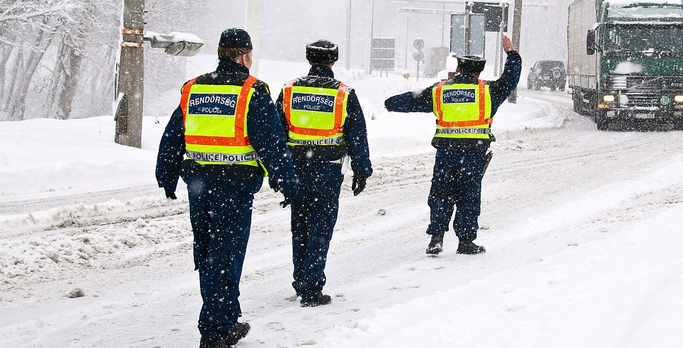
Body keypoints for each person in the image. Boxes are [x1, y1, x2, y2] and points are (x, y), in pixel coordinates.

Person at [156, 28, 299, 348]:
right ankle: (216, 330)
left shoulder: (194, 88)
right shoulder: (252, 91)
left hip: (198, 186)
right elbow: (272, 144)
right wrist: (287, 182)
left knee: (208, 253)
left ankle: (226, 317)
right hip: (233, 189)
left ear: (221, 53)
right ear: (245, 56)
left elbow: (173, 136)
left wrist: (165, 174)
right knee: (225, 255)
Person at [384, 35, 521, 255]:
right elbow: (510, 79)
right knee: (468, 196)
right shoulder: (488, 92)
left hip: (446, 153)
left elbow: (413, 99)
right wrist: (512, 54)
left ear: (458, 69)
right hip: (473, 154)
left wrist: (391, 104)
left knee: (441, 194)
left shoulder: (440, 91)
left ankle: (436, 238)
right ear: (479, 72)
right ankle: (465, 241)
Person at [275, 39, 372, 307]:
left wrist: (277, 171)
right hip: (328, 172)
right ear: (334, 60)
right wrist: (361, 171)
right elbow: (357, 136)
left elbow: (275, 133)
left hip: (296, 171)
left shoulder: (289, 91)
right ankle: (311, 287)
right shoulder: (343, 94)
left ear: (309, 60)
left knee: (299, 227)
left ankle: (300, 280)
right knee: (320, 229)